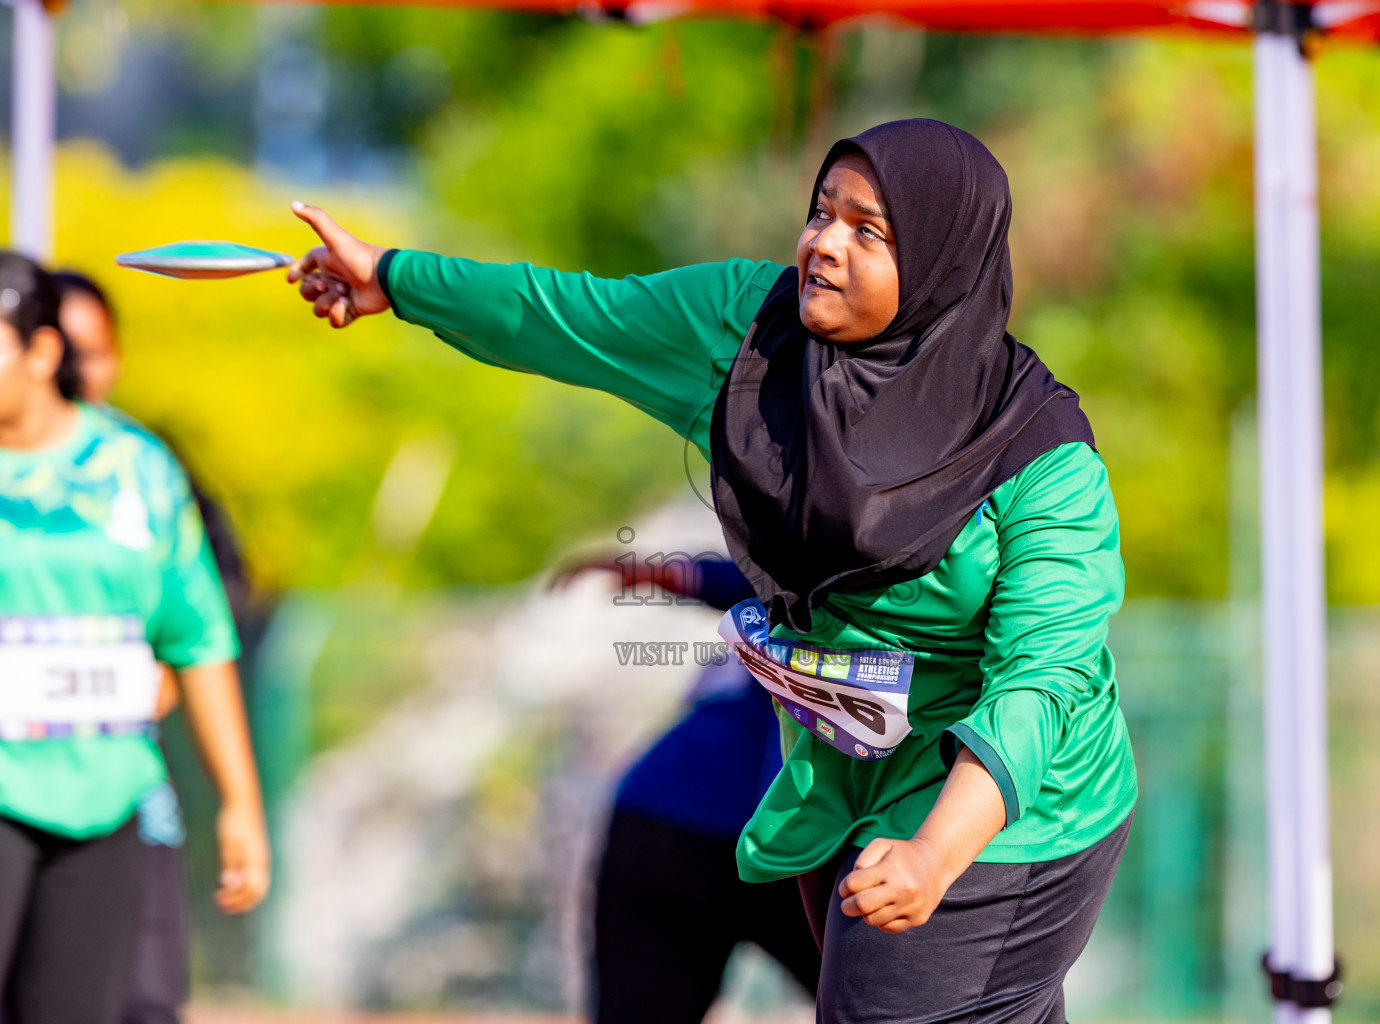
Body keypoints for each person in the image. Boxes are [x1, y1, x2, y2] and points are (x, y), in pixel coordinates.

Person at [287, 118, 1137, 1023]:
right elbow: (575, 317)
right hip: (849, 779)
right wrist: (395, 280)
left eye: (868, 231)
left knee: (880, 1003)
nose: (824, 245)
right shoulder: (751, 336)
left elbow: (1040, 681)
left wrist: (933, 850)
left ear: (941, 264)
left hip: (1013, 809)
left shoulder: (1043, 460)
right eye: (821, 212)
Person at [0, 252, 269, 1024]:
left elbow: (199, 638)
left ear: (44, 353)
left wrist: (240, 804)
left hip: (107, 803)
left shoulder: (138, 470)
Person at [554, 554, 819, 1021]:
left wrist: (658, 573)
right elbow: (764, 578)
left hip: (665, 805)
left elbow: (757, 578)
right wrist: (660, 573)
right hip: (744, 826)